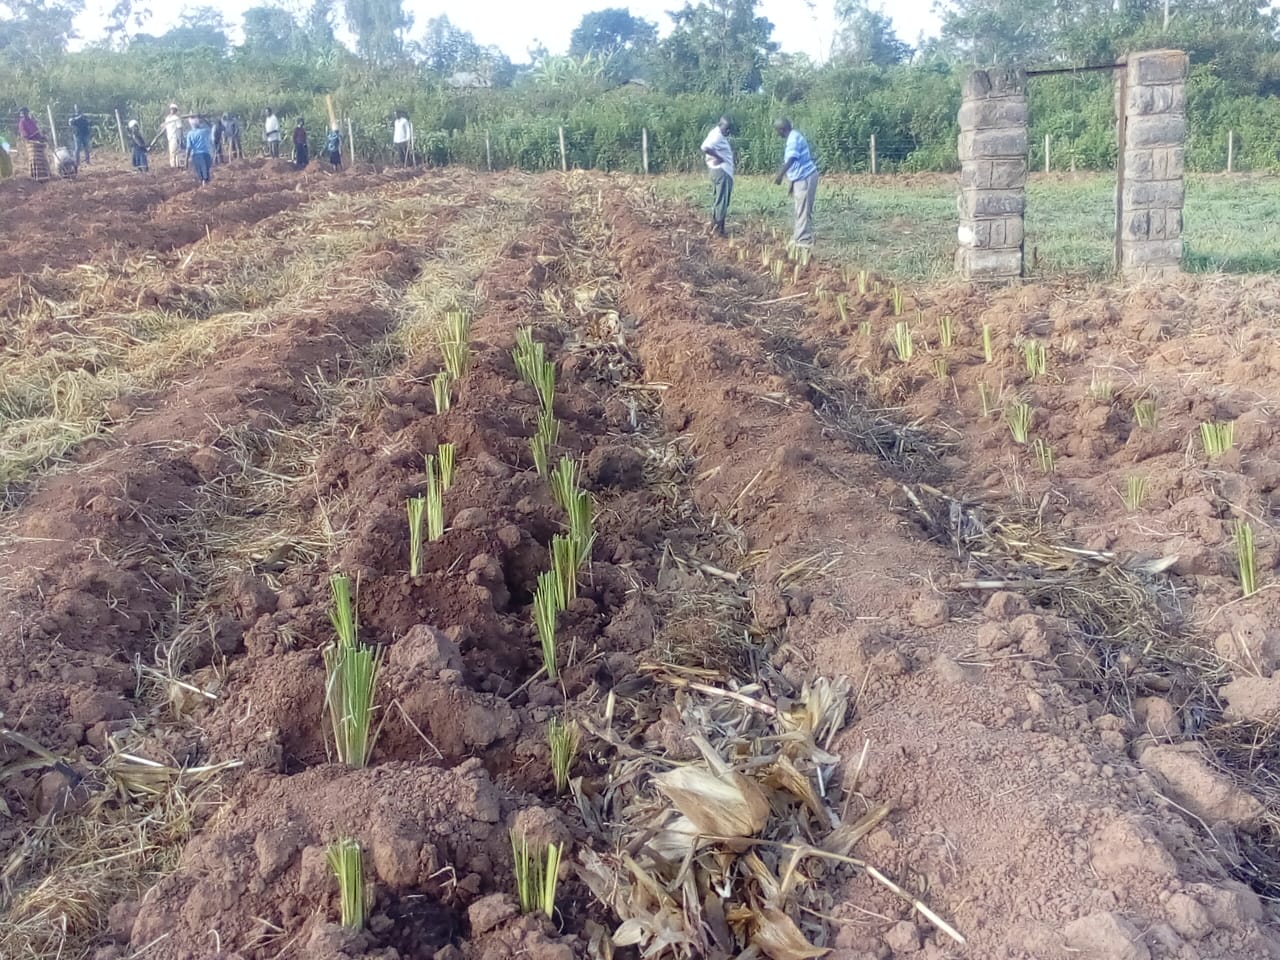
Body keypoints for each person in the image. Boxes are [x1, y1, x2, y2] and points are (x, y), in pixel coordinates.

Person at [773, 118, 819, 250]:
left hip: (805, 177)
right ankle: (798, 237)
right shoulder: (794, 136)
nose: (777, 134)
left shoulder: (793, 139)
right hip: (801, 178)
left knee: (803, 210)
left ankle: (804, 241)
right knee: (800, 209)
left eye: (777, 131)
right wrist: (792, 184)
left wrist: (780, 176)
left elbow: (792, 158)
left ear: (782, 130)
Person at [700, 116, 734, 237]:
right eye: (726, 128)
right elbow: (705, 147)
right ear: (721, 125)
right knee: (722, 201)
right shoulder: (717, 136)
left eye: (729, 129)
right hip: (722, 171)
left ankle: (715, 226)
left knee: (718, 199)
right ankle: (719, 230)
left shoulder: (715, 133)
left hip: (717, 171)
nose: (728, 131)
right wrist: (719, 158)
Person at [16, 107, 50, 181]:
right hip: (30, 143)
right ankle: (35, 176)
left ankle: (45, 175)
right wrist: (34, 136)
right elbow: (25, 136)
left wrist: (42, 137)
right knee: (34, 158)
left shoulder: (31, 121)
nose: (24, 114)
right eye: (23, 113)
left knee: (42, 157)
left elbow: (37, 131)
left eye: (25, 113)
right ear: (21, 114)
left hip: (37, 141)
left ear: (27, 113)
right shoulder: (22, 123)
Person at [186, 115, 214, 185]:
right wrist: (204, 119)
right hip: (206, 155)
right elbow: (212, 127)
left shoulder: (190, 134)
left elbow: (188, 148)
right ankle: (206, 187)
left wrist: (186, 160)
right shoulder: (204, 131)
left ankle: (204, 186)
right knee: (206, 173)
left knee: (200, 174)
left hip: (196, 156)